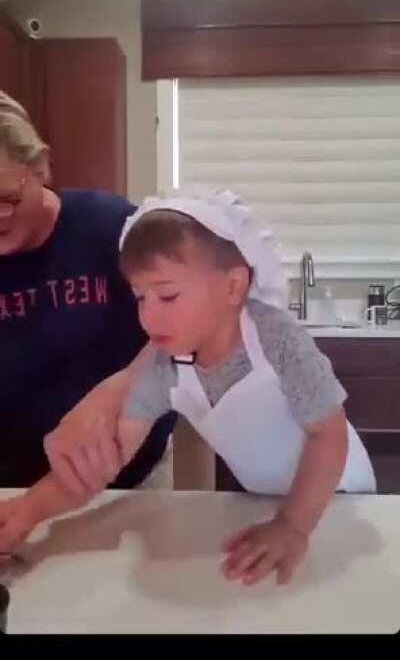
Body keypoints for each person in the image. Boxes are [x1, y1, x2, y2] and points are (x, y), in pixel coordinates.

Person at [0, 189, 376, 586]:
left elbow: (328, 435)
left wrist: (294, 526)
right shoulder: (167, 365)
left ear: (233, 287)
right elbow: (105, 457)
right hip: (265, 505)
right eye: (140, 297)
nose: (148, 316)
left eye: (167, 295)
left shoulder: (276, 339)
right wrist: (28, 510)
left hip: (337, 500)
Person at [0, 91, 175, 493]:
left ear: (41, 165)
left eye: (7, 198)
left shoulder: (111, 227)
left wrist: (124, 386)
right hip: (11, 490)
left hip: (127, 485)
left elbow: (192, 327)